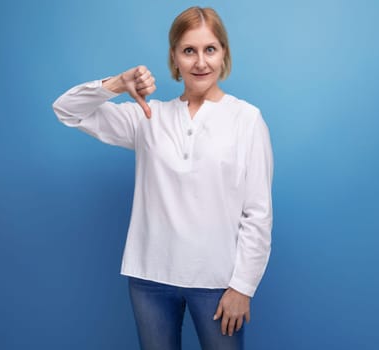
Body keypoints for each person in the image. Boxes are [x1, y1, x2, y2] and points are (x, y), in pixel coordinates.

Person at [52, 6, 273, 350]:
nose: (200, 62)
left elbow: (258, 212)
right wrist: (116, 84)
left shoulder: (247, 120)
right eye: (189, 50)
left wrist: (243, 287)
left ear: (224, 53)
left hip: (218, 281)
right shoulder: (148, 117)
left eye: (209, 49)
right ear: (174, 57)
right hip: (149, 279)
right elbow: (66, 110)